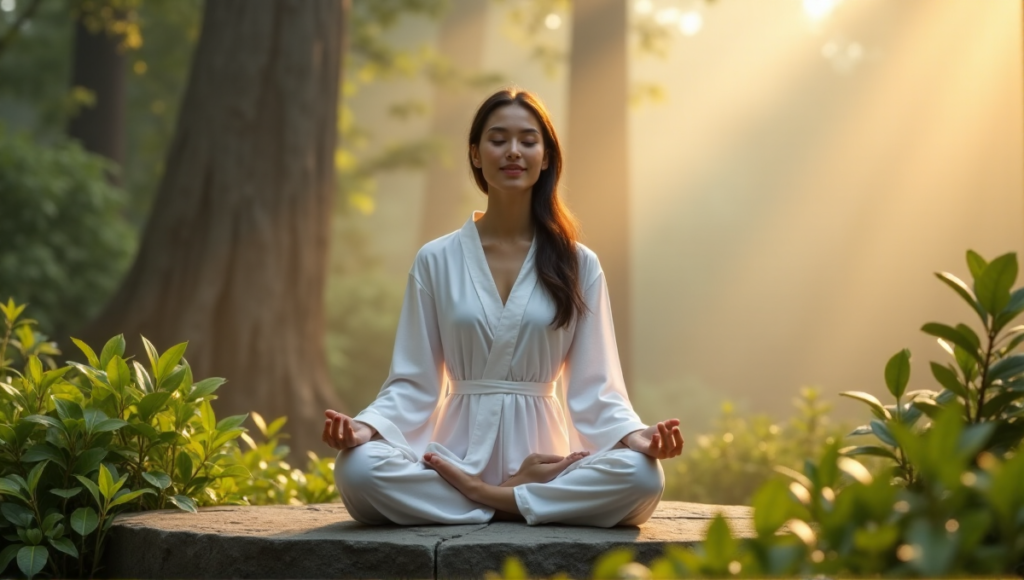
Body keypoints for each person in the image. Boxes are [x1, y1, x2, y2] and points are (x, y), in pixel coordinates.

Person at [322, 88, 684, 528]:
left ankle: (483, 499)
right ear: (475, 154)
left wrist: (637, 436)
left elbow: (597, 387)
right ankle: (509, 499)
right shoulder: (436, 259)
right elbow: (414, 383)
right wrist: (367, 429)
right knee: (356, 469)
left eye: (528, 141)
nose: (513, 151)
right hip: (453, 459)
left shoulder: (578, 263)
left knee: (643, 476)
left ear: (546, 156)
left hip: (545, 462)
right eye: (498, 140)